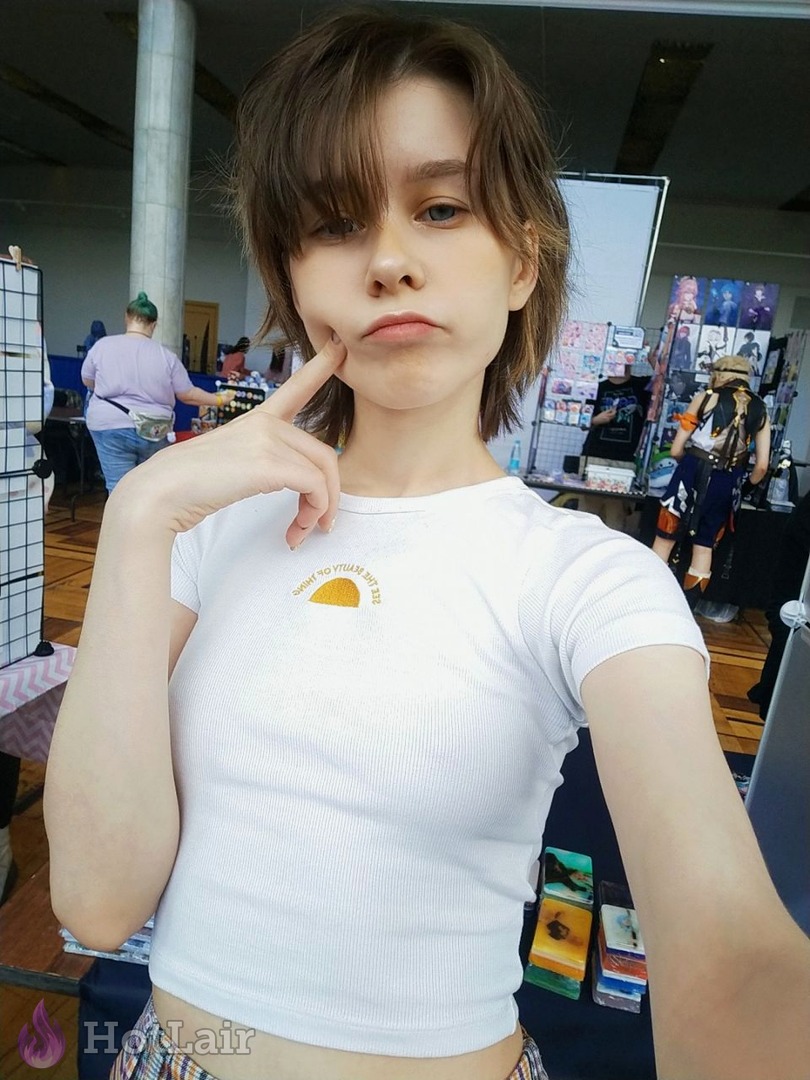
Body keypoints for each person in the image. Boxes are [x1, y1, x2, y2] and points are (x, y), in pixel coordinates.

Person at [44, 11, 810, 1080]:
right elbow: (95, 895)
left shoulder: (589, 578)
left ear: (520, 263)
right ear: (294, 282)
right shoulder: (200, 533)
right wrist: (133, 527)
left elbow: (728, 945)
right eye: (333, 223)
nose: (391, 260)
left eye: (442, 207)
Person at [81, 292, 235, 491]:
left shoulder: (102, 346)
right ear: (154, 325)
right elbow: (187, 394)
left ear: (127, 318)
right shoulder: (166, 356)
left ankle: (121, 520)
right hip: (153, 429)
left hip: (109, 425)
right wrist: (219, 400)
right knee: (150, 489)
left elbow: (87, 380)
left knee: (118, 488)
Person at [652, 355, 771, 608]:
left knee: (666, 536)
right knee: (705, 544)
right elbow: (761, 466)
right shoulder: (760, 409)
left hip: (691, 470)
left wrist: (687, 463)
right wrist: (745, 486)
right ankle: (687, 608)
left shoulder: (705, 397)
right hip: (728, 480)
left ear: (718, 374)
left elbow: (675, 450)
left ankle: (649, 601)